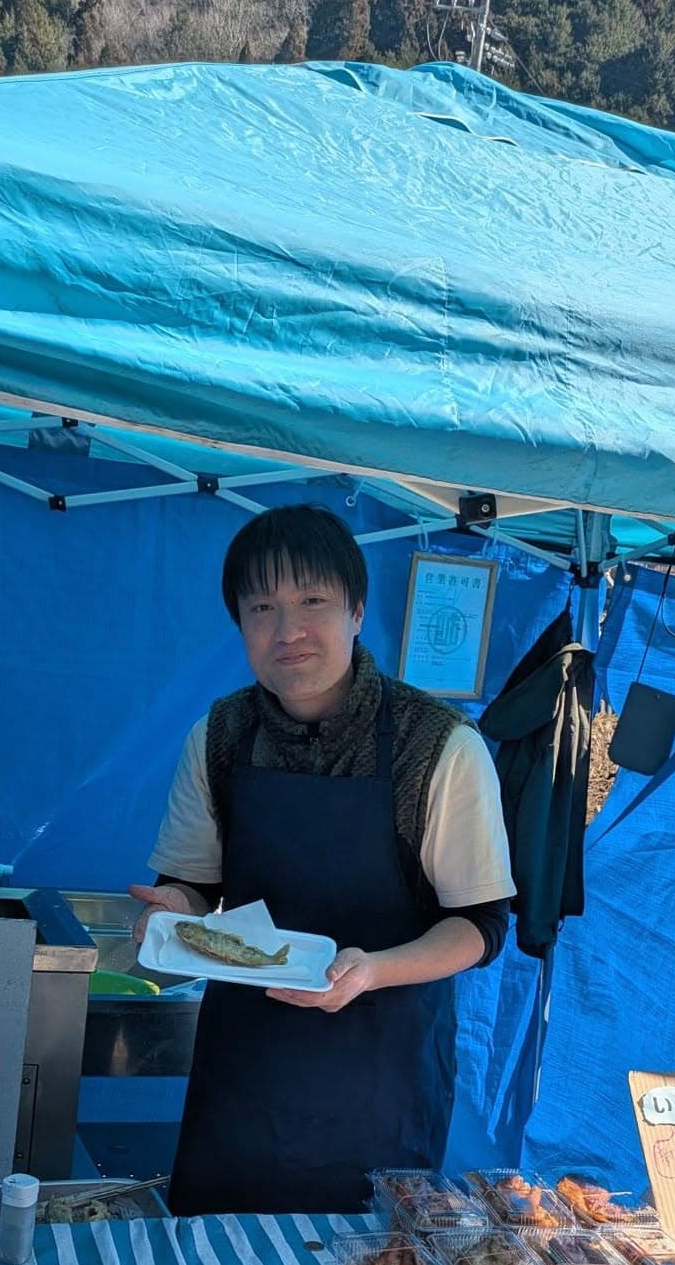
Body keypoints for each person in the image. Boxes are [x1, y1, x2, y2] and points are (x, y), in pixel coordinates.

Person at [131, 505, 515, 1214]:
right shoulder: (219, 735)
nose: (288, 630)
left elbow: (481, 924)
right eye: (262, 608)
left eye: (313, 602)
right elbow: (191, 881)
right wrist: (176, 913)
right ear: (241, 625)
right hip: (245, 1067)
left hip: (382, 1072)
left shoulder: (440, 747)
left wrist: (370, 970)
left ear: (358, 611)